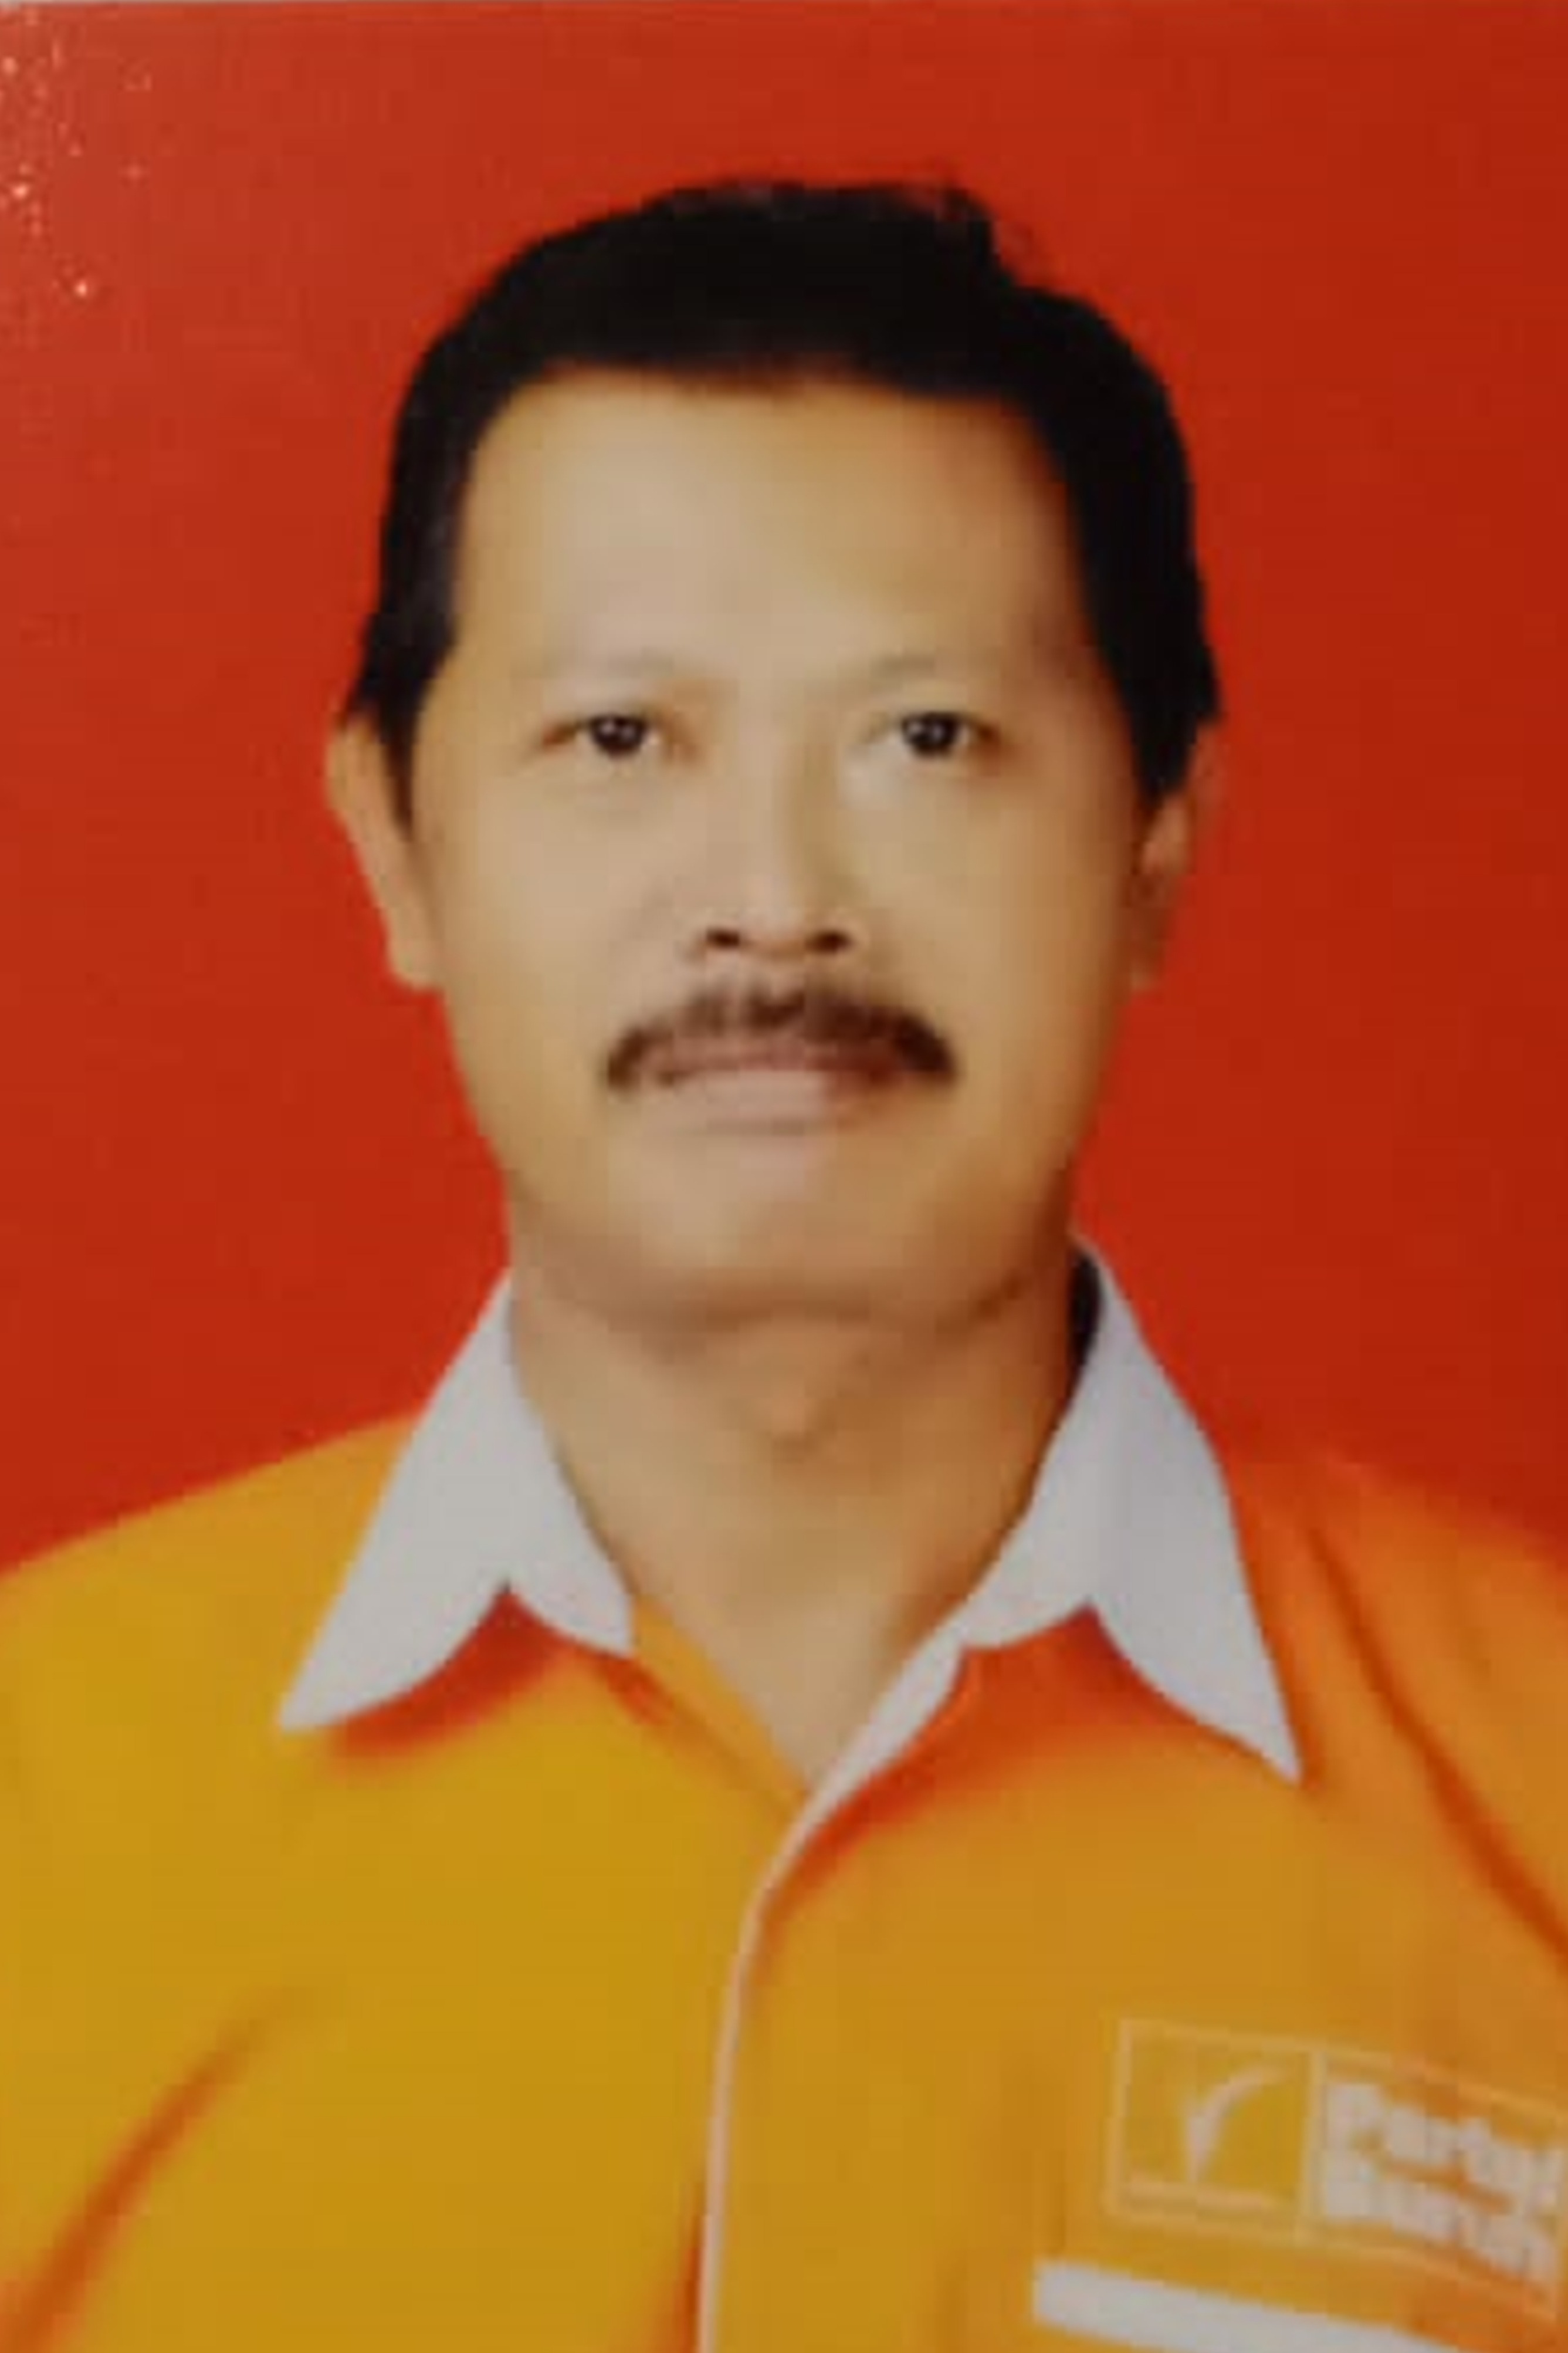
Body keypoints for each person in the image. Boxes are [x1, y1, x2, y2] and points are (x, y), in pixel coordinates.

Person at [1, 180, 1564, 2353]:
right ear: (394, 845)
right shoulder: (36, 1811)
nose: (771, 894)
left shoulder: (1535, 1797)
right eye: (619, 738)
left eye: (925, 738)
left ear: (1156, 847)